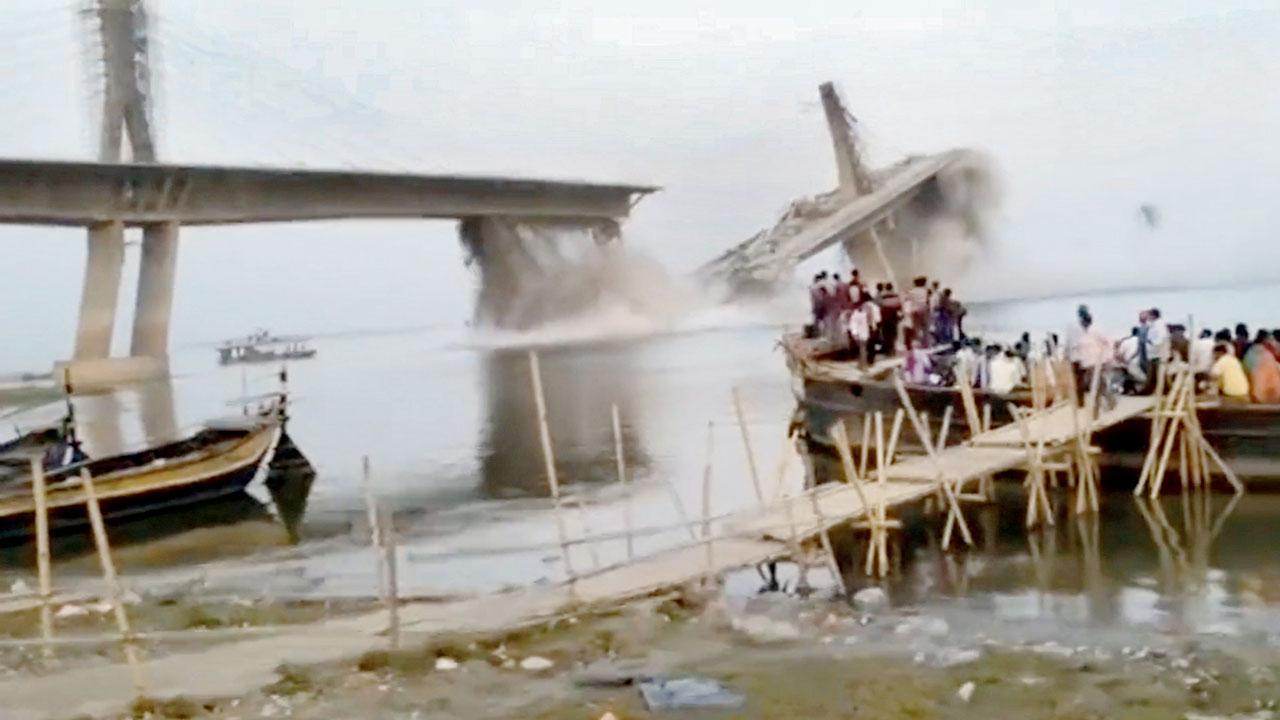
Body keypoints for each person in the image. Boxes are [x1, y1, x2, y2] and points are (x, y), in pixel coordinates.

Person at [904, 276, 930, 349]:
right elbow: (927, 301)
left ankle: (917, 343)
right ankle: (925, 343)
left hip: (915, 311)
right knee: (925, 327)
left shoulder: (911, 291)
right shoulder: (925, 291)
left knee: (916, 328)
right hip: (924, 310)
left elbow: (907, 300)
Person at [877, 283, 903, 356]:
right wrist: (900, 316)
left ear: (886, 288)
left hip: (885, 316)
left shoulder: (883, 296)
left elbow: (880, 306)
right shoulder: (896, 296)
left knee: (886, 334)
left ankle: (887, 350)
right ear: (892, 287)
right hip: (893, 317)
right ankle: (892, 349)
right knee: (893, 333)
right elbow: (899, 307)